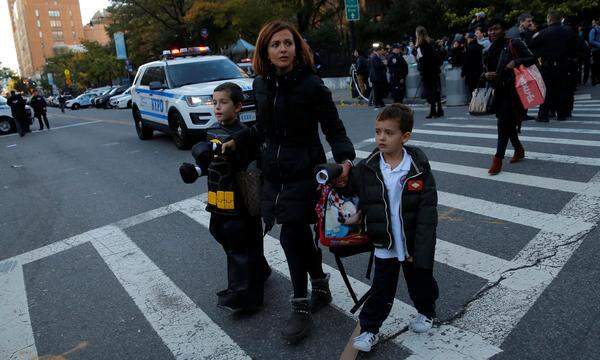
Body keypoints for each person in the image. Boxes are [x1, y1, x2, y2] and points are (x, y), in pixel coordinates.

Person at [223, 20, 356, 343]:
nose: (283, 49)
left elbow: (334, 129)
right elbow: (262, 130)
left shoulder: (311, 85)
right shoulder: (260, 85)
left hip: (304, 172)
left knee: (291, 235)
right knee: (297, 237)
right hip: (273, 174)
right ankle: (321, 286)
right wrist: (238, 141)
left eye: (288, 43)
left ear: (297, 48)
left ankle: (300, 306)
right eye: (276, 44)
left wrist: (346, 161)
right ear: (265, 52)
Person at [326, 104, 438, 352]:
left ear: (405, 136)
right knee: (381, 288)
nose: (381, 138)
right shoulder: (369, 167)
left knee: (420, 281)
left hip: (410, 241)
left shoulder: (417, 168)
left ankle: (426, 311)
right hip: (384, 241)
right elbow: (351, 190)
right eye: (378, 132)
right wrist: (339, 179)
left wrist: (421, 249)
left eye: (389, 132)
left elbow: (427, 213)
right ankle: (369, 329)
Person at [179, 82, 271, 313]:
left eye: (224, 102)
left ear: (238, 106)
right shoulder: (212, 130)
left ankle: (244, 297)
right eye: (215, 102)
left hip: (240, 203)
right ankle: (258, 269)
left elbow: (250, 167)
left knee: (238, 246)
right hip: (218, 200)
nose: (217, 107)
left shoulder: (244, 135)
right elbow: (210, 165)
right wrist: (195, 171)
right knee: (220, 234)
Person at [484, 20, 535, 175]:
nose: (492, 32)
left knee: (502, 123)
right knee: (507, 124)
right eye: (490, 30)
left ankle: (498, 159)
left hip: (514, 90)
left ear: (502, 30)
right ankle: (519, 149)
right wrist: (486, 75)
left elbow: (533, 58)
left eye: (496, 29)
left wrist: (515, 61)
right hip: (498, 91)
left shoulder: (514, 43)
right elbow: (485, 71)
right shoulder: (488, 50)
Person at [529, 9, 578, 121]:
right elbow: (576, 47)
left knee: (547, 91)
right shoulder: (569, 32)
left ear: (549, 19)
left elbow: (532, 45)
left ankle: (543, 115)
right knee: (563, 89)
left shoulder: (543, 32)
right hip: (565, 64)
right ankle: (562, 114)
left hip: (548, 65)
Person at [416, 26, 444, 118]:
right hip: (435, 69)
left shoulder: (421, 45)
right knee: (435, 90)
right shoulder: (431, 42)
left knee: (430, 91)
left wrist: (421, 70)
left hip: (427, 71)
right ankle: (439, 109)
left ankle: (433, 111)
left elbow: (422, 59)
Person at [462, 32, 484, 97]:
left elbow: (466, 62)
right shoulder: (480, 47)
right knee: (480, 89)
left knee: (472, 90)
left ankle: (474, 103)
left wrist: (463, 73)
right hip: (479, 71)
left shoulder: (469, 48)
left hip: (470, 72)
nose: (467, 40)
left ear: (471, 39)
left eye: (468, 39)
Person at [590, 20, 600, 85]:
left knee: (598, 65)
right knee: (595, 65)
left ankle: (597, 79)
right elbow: (591, 40)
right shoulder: (593, 30)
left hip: (597, 50)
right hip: (595, 50)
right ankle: (594, 80)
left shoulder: (597, 30)